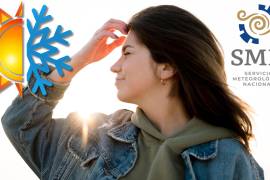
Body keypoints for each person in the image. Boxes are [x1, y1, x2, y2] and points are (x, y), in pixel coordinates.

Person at [1, 5, 264, 180]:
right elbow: (20, 123)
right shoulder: (93, 140)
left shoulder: (231, 162)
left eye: (127, 53)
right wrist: (80, 60)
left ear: (167, 67)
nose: (115, 66)